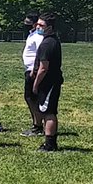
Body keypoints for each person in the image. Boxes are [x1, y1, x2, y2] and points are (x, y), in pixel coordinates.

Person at [30, 12, 63, 152]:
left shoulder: (48, 43)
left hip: (48, 82)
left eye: (41, 25)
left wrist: (35, 84)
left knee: (48, 112)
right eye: (37, 24)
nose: (38, 27)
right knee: (47, 111)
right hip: (52, 81)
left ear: (49, 27)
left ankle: (50, 144)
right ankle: (49, 142)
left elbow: (43, 68)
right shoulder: (51, 40)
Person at [20, 12, 45, 136]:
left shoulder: (38, 37)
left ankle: (38, 125)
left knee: (33, 98)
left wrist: (35, 71)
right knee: (29, 98)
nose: (26, 25)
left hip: (33, 71)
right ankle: (36, 123)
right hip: (29, 69)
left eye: (28, 24)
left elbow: (41, 54)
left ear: (35, 24)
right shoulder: (31, 35)